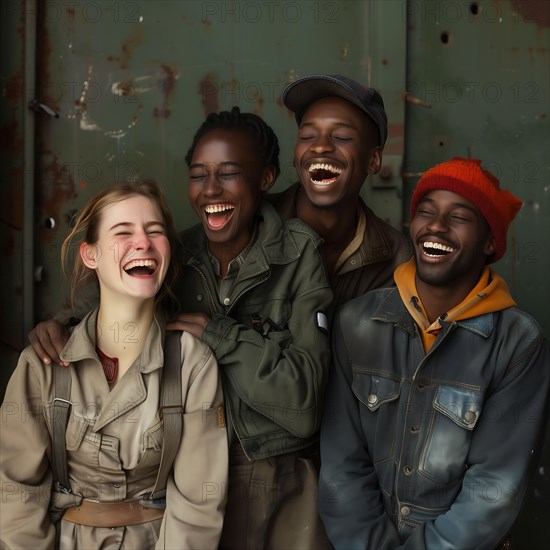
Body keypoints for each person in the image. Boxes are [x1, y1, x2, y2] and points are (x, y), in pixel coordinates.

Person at [25, 108, 333, 549]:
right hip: (182, 485)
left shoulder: (299, 256)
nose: (211, 190)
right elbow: (101, 310)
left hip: (277, 485)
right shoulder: (175, 254)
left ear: (265, 178)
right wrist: (56, 327)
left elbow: (304, 409)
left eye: (229, 173)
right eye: (198, 175)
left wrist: (219, 334)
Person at [318, 157, 550, 549]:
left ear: (490, 242)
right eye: (426, 211)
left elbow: (494, 489)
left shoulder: (517, 343)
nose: (436, 226)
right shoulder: (357, 322)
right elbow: (342, 467)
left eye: (458, 217)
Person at [1, 181, 228, 549]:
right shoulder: (42, 365)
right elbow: (15, 493)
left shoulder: (192, 364)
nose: (143, 242)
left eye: (155, 231)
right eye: (123, 232)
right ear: (90, 255)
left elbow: (200, 503)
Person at [269, 74, 411, 308]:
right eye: (307, 136)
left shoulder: (397, 258)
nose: (320, 146)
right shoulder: (253, 226)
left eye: (342, 137)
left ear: (374, 161)